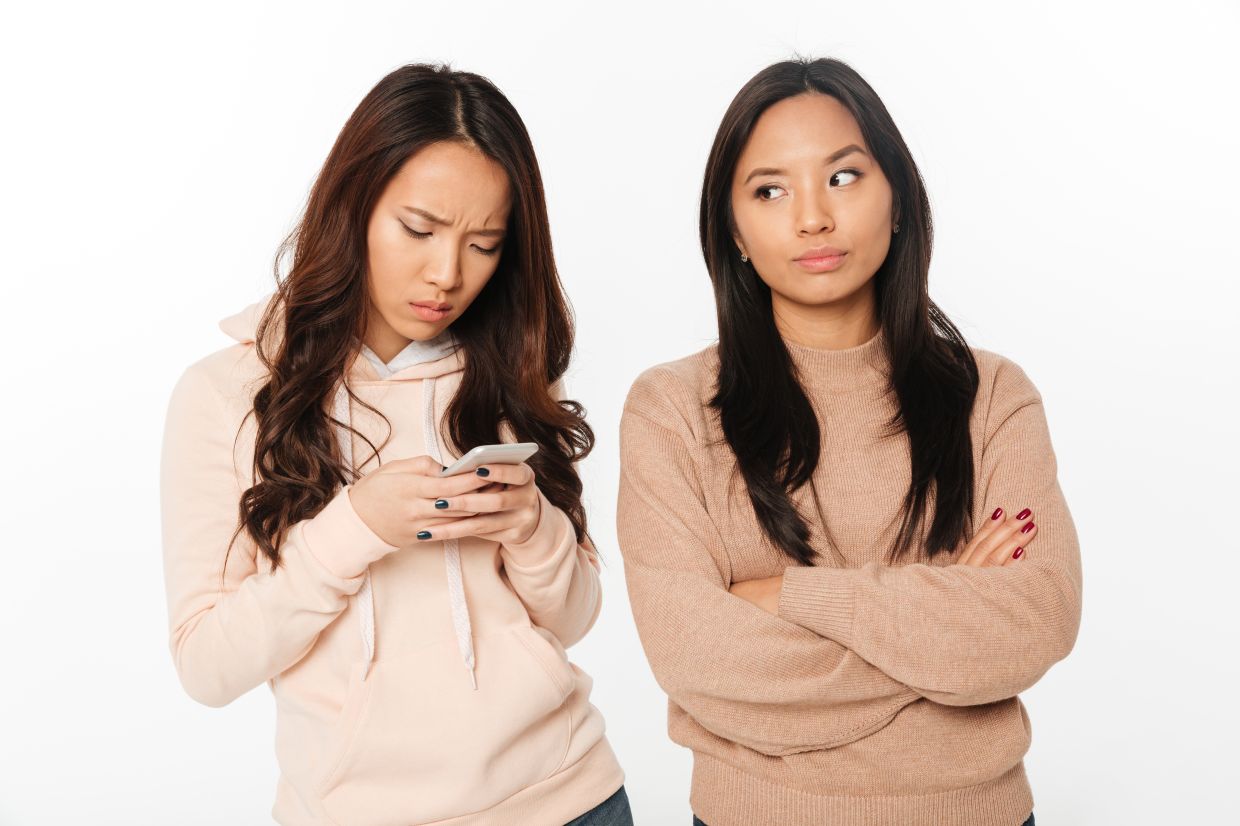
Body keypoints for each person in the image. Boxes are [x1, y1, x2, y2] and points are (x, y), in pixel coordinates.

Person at [160, 63, 629, 825]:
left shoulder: (503, 376)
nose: (448, 274)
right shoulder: (225, 394)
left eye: (484, 244)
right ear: (353, 206)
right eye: (419, 229)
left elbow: (574, 620)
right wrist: (355, 529)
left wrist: (532, 528)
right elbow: (206, 665)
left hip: (571, 800)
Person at [617, 57, 1079, 826]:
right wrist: (944, 625)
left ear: (897, 198)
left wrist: (792, 596)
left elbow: (1040, 618)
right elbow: (697, 658)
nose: (812, 218)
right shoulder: (670, 411)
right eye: (770, 190)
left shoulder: (992, 395)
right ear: (732, 230)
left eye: (842, 177)